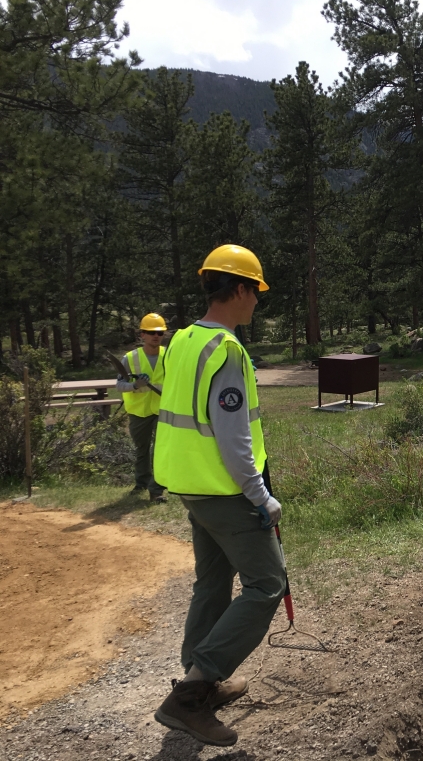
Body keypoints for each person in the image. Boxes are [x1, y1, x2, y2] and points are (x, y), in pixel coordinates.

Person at [152, 244, 286, 747]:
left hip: (191, 486)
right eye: (257, 293)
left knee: (211, 583)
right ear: (241, 289)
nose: (258, 304)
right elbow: (233, 436)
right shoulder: (226, 349)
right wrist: (260, 496)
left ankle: (200, 679)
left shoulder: (184, 339)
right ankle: (191, 695)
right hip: (224, 489)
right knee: (266, 585)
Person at [118, 313, 168, 502]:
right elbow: (119, 385)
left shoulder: (169, 355)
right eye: (150, 332)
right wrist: (135, 385)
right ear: (142, 335)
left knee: (161, 449)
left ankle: (157, 490)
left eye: (160, 332)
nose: (155, 336)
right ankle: (141, 483)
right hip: (139, 412)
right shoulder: (130, 358)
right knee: (142, 449)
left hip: (164, 410)